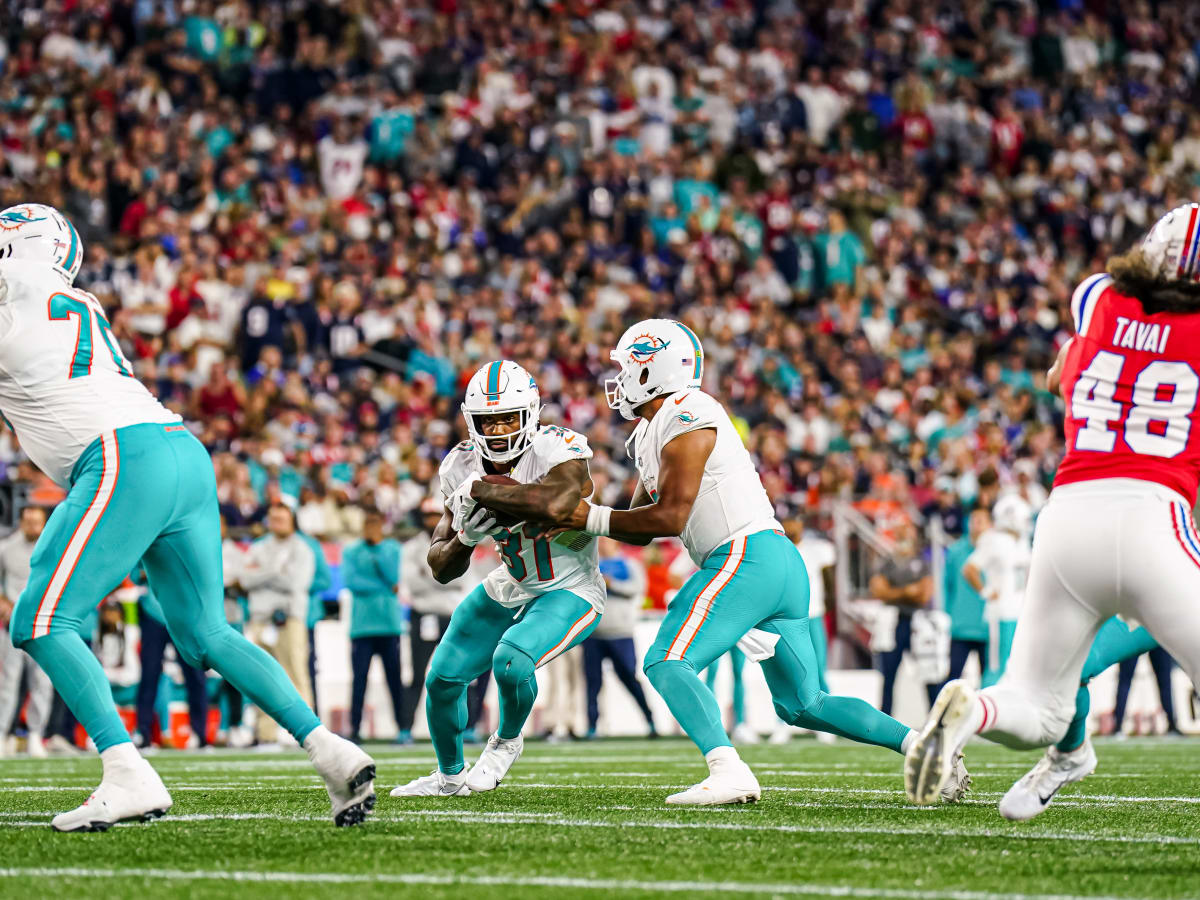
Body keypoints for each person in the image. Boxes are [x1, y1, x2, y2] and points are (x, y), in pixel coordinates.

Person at [0, 204, 373, 830]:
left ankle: (126, 772)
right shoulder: (69, 299)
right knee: (207, 633)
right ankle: (331, 751)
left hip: (121, 458)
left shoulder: (12, 295)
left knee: (39, 619)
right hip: (179, 451)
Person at [551, 319, 969, 805]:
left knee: (666, 659)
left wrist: (588, 516)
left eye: (627, 368)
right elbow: (638, 523)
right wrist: (576, 514)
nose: (619, 380)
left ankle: (727, 769)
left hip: (744, 554)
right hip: (770, 561)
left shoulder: (689, 409)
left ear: (653, 370)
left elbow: (668, 516)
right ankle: (922, 745)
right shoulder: (651, 432)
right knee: (804, 704)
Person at [905, 203, 1200, 811]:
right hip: (1154, 514)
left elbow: (1058, 374)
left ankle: (974, 712)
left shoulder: (1096, 298)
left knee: (1036, 705)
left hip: (1068, 516)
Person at [390, 360, 605, 798]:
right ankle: (449, 777)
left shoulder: (556, 446)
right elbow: (441, 566)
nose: (501, 428)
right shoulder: (459, 464)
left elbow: (561, 500)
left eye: (509, 416)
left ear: (531, 415)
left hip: (570, 584)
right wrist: (466, 537)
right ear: (472, 422)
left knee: (512, 661)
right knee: (442, 679)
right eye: (489, 420)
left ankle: (505, 742)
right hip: (513, 580)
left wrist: (483, 492)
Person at [398, 496, 493, 745]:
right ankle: (406, 728)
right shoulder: (411, 548)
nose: (432, 520)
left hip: (454, 615)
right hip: (425, 615)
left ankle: (470, 725)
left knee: (466, 673)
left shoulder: (459, 540)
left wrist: (431, 572)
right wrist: (443, 574)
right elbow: (413, 583)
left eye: (435, 515)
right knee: (418, 675)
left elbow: (460, 579)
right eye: (428, 516)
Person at [240, 502, 316, 744]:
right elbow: (244, 579)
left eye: (282, 519)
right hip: (261, 620)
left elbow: (297, 583)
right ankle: (266, 734)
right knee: (262, 679)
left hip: (288, 620)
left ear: (292, 520)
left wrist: (264, 574)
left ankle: (309, 732)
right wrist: (275, 572)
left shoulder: (302, 549)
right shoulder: (258, 547)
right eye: (273, 519)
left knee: (296, 674)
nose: (277, 524)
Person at [582, 538, 656, 738]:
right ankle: (592, 727)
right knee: (592, 683)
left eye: (606, 541)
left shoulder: (629, 564)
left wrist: (611, 583)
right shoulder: (590, 565)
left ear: (616, 543)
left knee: (630, 679)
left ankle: (650, 720)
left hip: (621, 632)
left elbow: (638, 588)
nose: (602, 544)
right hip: (593, 633)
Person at [343, 508, 404, 742]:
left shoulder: (392, 549)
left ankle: (402, 727)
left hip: (389, 626)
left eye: (375, 524)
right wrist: (385, 587)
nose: (371, 529)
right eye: (368, 524)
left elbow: (394, 576)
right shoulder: (351, 551)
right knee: (359, 680)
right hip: (362, 628)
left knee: (394, 680)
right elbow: (351, 582)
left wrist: (378, 553)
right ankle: (354, 729)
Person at [132, 566, 210, 749]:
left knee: (195, 674)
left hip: (184, 614)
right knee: (149, 675)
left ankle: (200, 733)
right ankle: (143, 733)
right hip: (153, 613)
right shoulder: (146, 539)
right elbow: (134, 573)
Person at [868, 521, 938, 715]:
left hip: (918, 622)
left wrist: (894, 592)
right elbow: (879, 590)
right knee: (888, 675)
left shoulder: (921, 562)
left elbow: (924, 594)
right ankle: (885, 719)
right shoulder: (887, 562)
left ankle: (935, 719)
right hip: (893, 622)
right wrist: (907, 591)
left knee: (928, 672)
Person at [962, 495, 1032, 686]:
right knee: (996, 669)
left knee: (1016, 670)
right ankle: (988, 711)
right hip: (1000, 613)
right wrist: (985, 591)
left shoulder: (1022, 542)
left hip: (1019, 612)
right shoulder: (993, 540)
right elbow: (969, 569)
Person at [0, 505, 52, 757]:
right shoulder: (6, 548)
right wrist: (3, 601)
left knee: (42, 682)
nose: (33, 526)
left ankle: (35, 735)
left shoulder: (53, 547)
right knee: (7, 682)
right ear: (20, 522)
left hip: (43, 624)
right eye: (28, 521)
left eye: (37, 522)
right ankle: (1, 734)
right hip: (11, 624)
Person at [941, 509, 990, 686]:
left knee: (988, 683)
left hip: (987, 628)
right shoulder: (956, 552)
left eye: (981, 521)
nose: (976, 526)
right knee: (952, 680)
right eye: (973, 520)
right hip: (960, 626)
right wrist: (948, 615)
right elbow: (946, 585)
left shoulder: (996, 551)